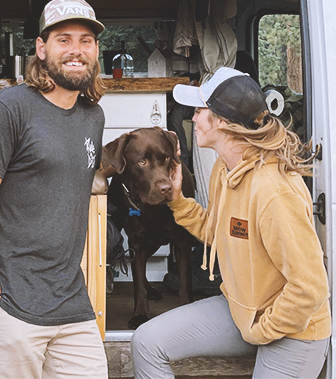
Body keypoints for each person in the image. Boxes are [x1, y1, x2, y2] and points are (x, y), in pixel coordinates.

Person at [132, 66, 331, 378]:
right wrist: (177, 199)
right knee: (146, 342)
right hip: (243, 311)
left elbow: (310, 288)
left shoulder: (274, 191)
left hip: (294, 332)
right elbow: (219, 232)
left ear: (222, 122)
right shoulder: (224, 171)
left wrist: (263, 329)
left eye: (199, 111)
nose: (193, 118)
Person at [0, 0, 109, 378]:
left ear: (95, 51)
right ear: (41, 49)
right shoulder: (9, 109)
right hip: (12, 308)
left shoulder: (93, 116)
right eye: (64, 39)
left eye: (86, 41)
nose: (76, 50)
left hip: (72, 306)